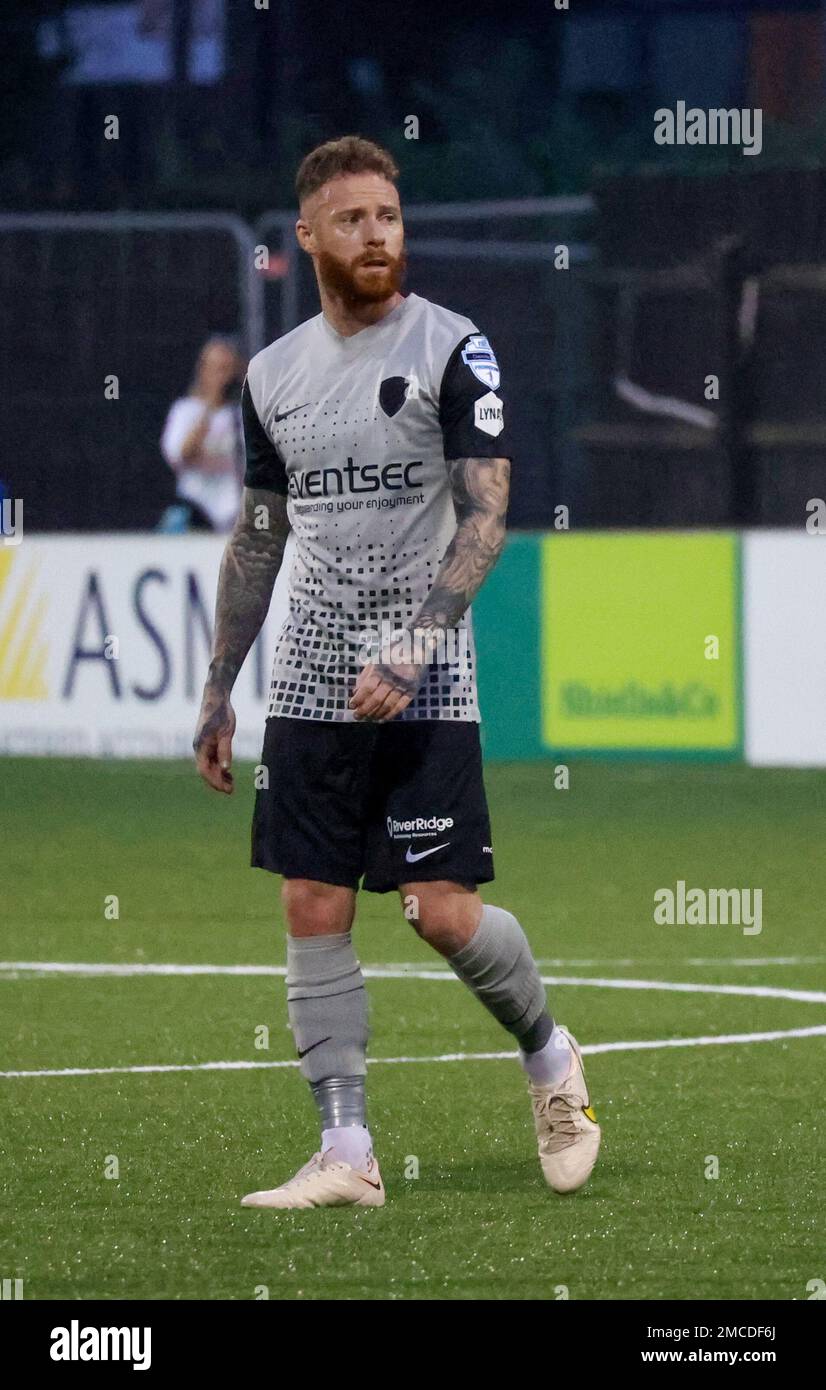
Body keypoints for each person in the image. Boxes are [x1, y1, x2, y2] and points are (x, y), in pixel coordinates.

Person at [193, 136, 601, 1209]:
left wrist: (417, 642)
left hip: (428, 687)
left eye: (390, 214)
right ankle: (346, 1151)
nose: (379, 235)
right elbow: (259, 537)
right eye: (355, 219)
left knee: (438, 911)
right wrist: (216, 685)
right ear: (310, 237)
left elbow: (487, 514)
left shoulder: (451, 347)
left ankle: (552, 1060)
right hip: (311, 684)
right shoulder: (274, 375)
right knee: (311, 903)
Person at [160, 336, 245, 532]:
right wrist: (210, 410)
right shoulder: (185, 411)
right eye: (217, 369)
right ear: (203, 371)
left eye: (228, 369)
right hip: (194, 510)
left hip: (234, 514)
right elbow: (181, 454)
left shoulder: (245, 416)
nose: (223, 377)